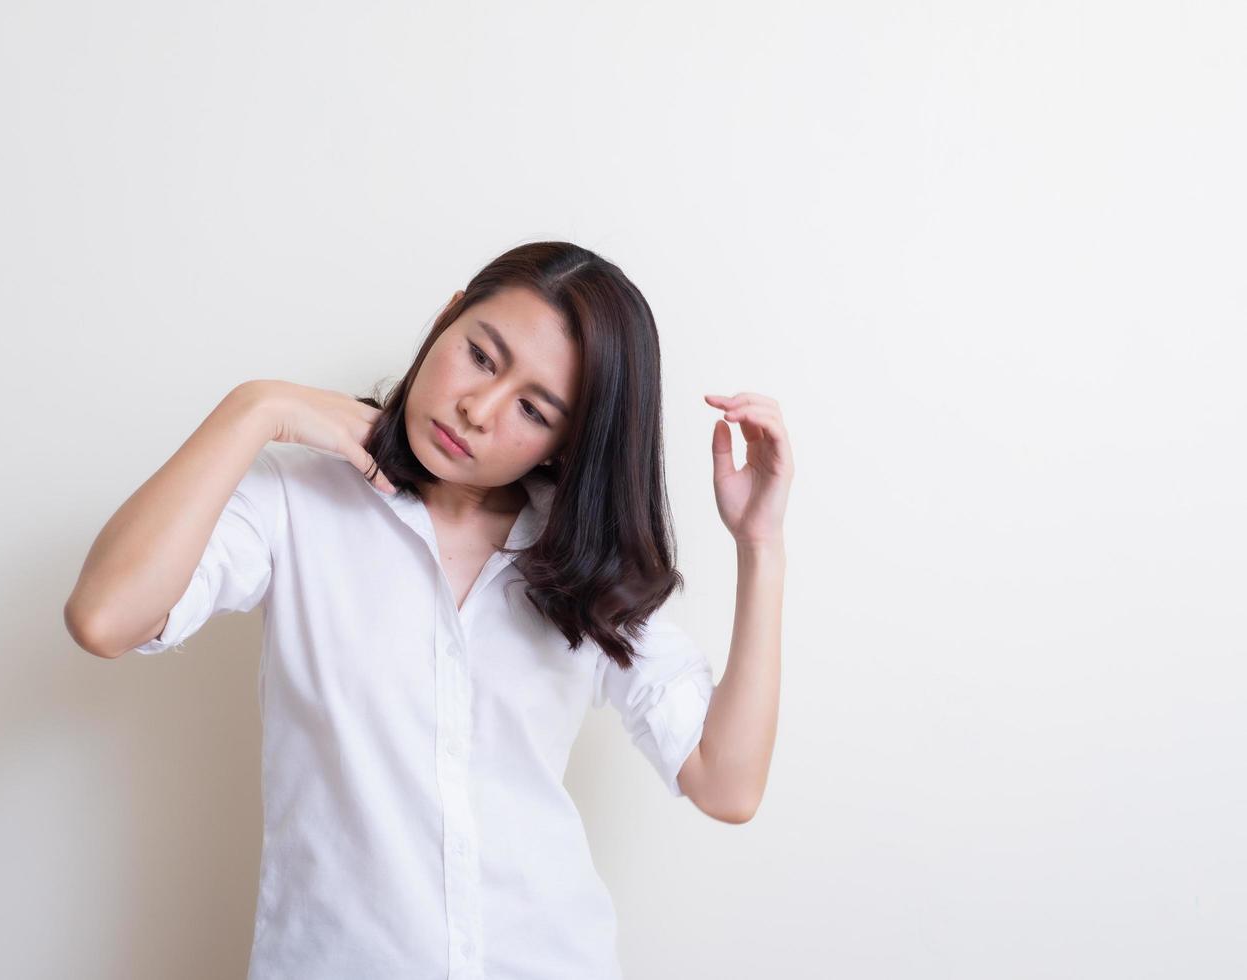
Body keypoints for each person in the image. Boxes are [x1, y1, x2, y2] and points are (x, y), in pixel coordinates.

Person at [64, 240, 793, 979]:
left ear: (564, 445)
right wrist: (257, 408)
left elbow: (725, 784)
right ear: (448, 318)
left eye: (533, 409)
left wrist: (759, 545)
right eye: (480, 355)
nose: (477, 409)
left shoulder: (577, 563)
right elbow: (104, 618)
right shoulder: (298, 500)